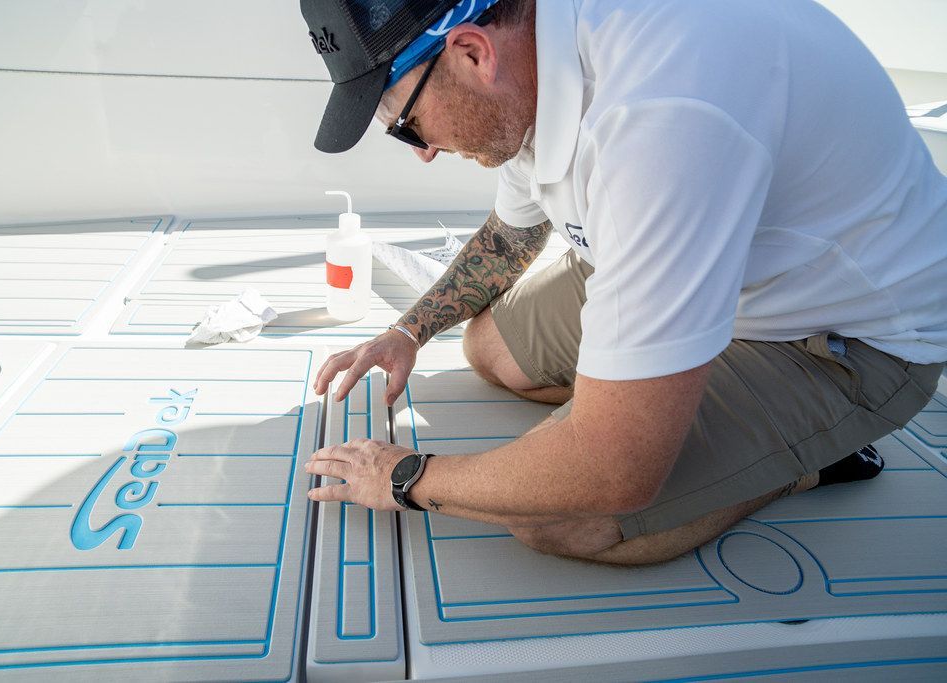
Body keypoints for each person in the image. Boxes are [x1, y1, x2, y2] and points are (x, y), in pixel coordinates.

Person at [298, 0, 947, 565]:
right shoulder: (531, 52)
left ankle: (803, 460)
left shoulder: (663, 113)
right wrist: (407, 330)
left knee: (561, 517)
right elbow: (509, 237)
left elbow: (612, 471)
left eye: (406, 121)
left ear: (472, 53)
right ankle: (659, 376)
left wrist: (404, 476)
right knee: (489, 348)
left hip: (844, 338)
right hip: (707, 249)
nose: (422, 150)